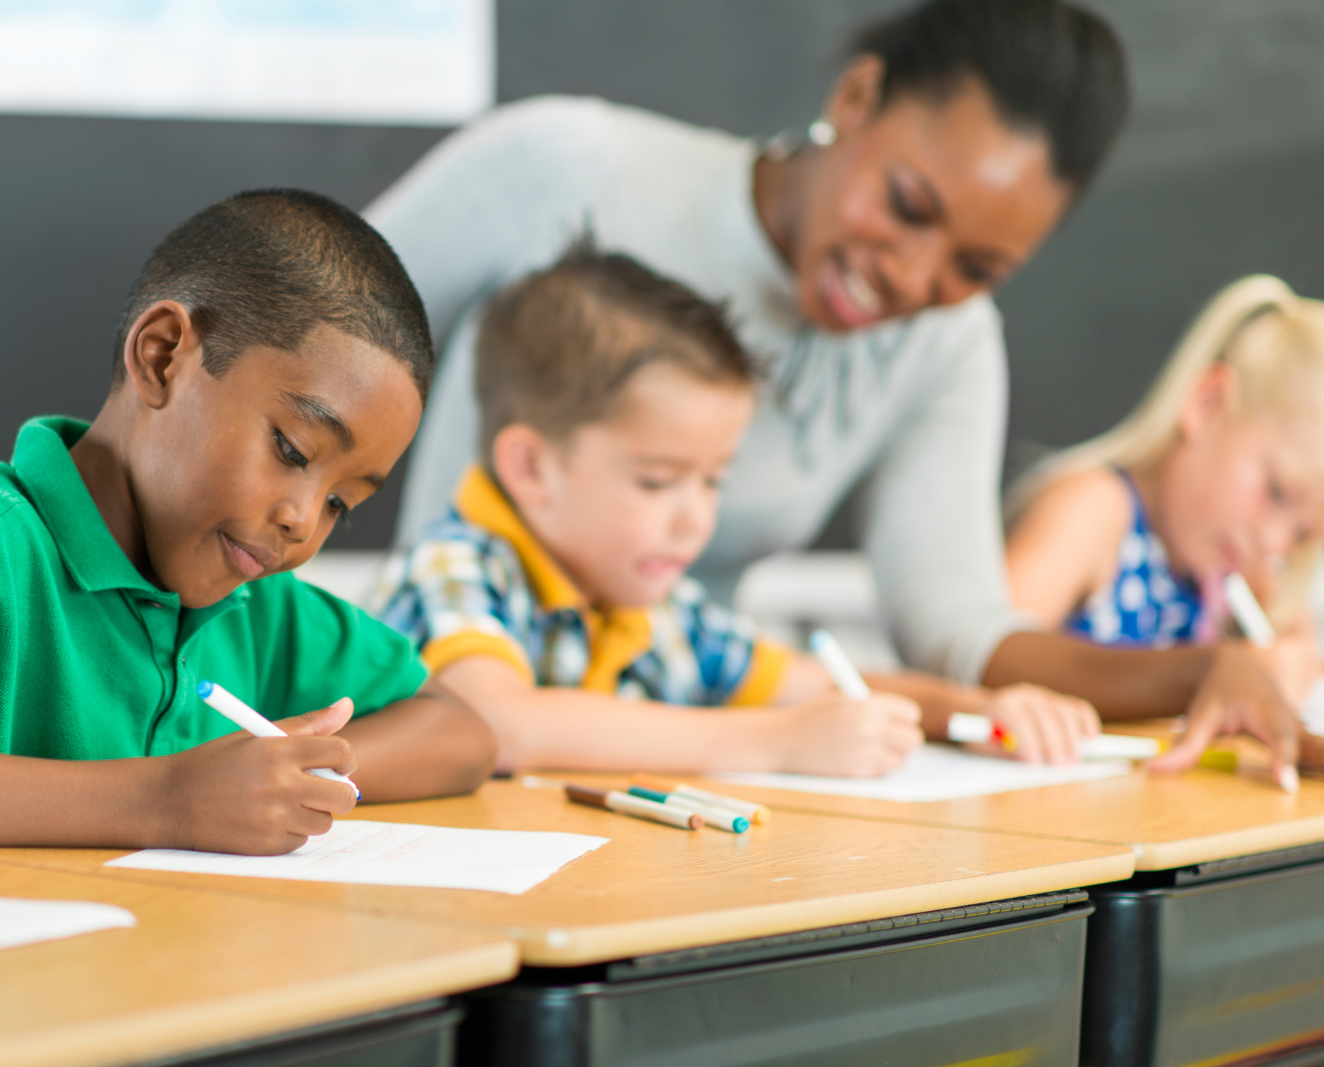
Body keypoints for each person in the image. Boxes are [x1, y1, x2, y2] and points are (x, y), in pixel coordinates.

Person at [371, 0, 1314, 787]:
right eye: (908, 206)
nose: (912, 280)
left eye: (976, 268)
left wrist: (991, 708)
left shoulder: (676, 621)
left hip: (665, 776)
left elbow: (952, 627)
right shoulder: (569, 171)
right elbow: (288, 336)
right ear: (856, 97)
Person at [0, 190, 496, 857]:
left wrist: (287, 777)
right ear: (163, 356)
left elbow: (461, 733)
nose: (304, 522)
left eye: (342, 503)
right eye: (291, 449)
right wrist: (166, 799)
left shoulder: (248, 598)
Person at [374, 242, 1098, 775]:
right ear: (531, 467)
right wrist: (775, 744)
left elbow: (819, 688)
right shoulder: (457, 565)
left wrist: (975, 711)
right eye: (658, 482)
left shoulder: (656, 608)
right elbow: (503, 725)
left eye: (713, 480)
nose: (694, 519)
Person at [1008, 275, 1324, 773]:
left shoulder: (1239, 578)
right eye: (1276, 491)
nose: (1274, 540)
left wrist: (1288, 665)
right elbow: (984, 654)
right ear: (1206, 403)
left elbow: (1296, 662)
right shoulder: (1094, 509)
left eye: (1303, 534)